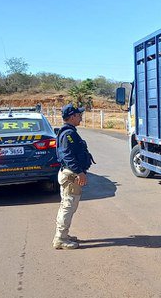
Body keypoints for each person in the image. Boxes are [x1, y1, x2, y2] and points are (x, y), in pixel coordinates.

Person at [53, 103, 95, 250]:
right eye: (79, 115)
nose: (81, 118)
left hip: (70, 173)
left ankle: (63, 235)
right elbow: (67, 155)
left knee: (68, 205)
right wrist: (79, 172)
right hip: (71, 175)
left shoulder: (69, 132)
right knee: (68, 206)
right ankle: (60, 239)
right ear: (72, 117)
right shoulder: (68, 134)